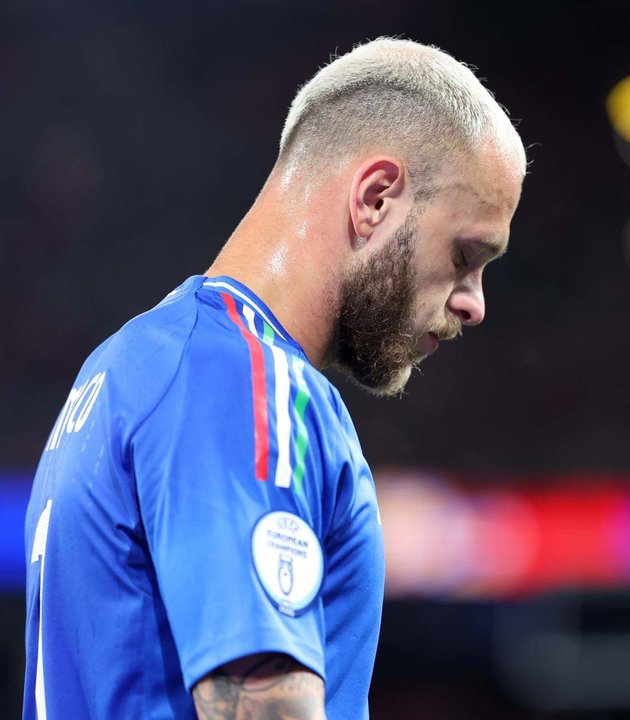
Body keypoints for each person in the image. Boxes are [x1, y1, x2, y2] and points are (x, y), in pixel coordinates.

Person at [22, 37, 526, 720]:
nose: (474, 301)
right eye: (466, 254)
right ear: (376, 197)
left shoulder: (126, 365)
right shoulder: (246, 381)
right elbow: (262, 706)